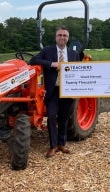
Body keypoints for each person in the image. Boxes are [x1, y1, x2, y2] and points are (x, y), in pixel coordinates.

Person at [29, 26, 80, 158]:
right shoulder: (47, 50)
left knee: (64, 118)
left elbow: (80, 71)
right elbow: (33, 60)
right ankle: (53, 146)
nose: (62, 37)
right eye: (60, 35)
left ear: (68, 38)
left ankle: (62, 144)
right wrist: (52, 64)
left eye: (65, 35)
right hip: (53, 90)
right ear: (56, 37)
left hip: (68, 91)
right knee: (51, 117)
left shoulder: (74, 54)